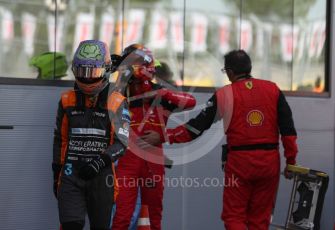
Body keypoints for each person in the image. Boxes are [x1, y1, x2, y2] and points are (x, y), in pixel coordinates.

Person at [145, 49, 298, 229]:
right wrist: (291, 161)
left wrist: (163, 136)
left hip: (240, 163)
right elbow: (288, 130)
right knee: (260, 218)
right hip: (270, 162)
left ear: (230, 72)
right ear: (249, 68)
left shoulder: (225, 94)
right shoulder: (273, 89)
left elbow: (196, 127)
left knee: (234, 216)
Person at [112, 44, 196, 230]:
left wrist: (160, 92)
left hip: (153, 163)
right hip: (127, 162)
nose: (132, 69)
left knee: (154, 216)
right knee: (122, 216)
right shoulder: (119, 94)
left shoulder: (161, 94)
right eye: (130, 64)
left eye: (136, 64)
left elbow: (191, 101)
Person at [52, 40, 129, 230]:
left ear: (105, 70)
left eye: (92, 72)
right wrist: (56, 173)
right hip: (71, 176)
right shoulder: (66, 100)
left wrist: (99, 162)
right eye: (82, 72)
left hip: (102, 178)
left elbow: (123, 142)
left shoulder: (117, 102)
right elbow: (60, 141)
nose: (87, 79)